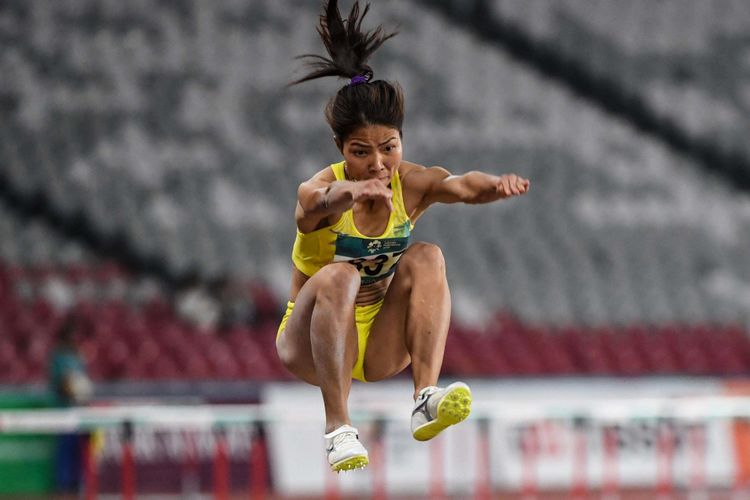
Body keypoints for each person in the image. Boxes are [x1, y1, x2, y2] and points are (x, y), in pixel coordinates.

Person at [276, 0, 530, 472]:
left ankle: (424, 396)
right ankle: (338, 429)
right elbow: (311, 204)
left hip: (377, 348)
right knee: (338, 277)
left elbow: (459, 185)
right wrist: (349, 192)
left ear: (401, 140)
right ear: (340, 149)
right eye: (360, 152)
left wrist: (493, 188)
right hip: (310, 343)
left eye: (388, 148)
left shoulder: (410, 184)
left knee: (428, 256)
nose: (377, 163)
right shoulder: (323, 187)